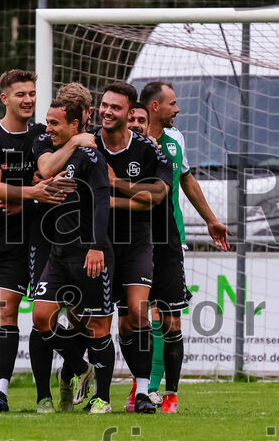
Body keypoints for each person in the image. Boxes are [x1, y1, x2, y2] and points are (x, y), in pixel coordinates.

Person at [0, 69, 70, 412]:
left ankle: (0, 392)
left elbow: (50, 171)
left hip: (18, 239)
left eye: (32, 93)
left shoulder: (40, 135)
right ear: (4, 98)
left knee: (8, 312)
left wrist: (29, 195)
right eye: (21, 94)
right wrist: (32, 191)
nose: (28, 100)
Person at [142, 81, 232, 412]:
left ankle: (165, 394)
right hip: (135, 241)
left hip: (170, 240)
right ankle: (145, 388)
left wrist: (210, 219)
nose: (177, 109)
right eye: (173, 104)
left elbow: (186, 179)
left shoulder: (176, 139)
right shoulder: (132, 142)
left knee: (169, 319)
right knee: (136, 319)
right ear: (155, 106)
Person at [31, 97, 116, 414]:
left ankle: (102, 399)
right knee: (41, 317)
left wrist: (95, 245)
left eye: (55, 123)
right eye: (48, 121)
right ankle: (79, 367)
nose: (48, 128)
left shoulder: (91, 155)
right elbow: (46, 172)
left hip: (91, 253)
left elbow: (102, 200)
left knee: (98, 329)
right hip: (59, 254)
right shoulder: (58, 151)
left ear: (75, 125)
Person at [90, 82, 170, 414]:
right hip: (97, 244)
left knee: (137, 314)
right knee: (96, 323)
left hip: (137, 243)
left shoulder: (147, 149)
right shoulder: (87, 144)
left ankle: (141, 392)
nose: (107, 111)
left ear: (129, 112)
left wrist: (112, 186)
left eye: (115, 108)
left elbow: (156, 195)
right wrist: (126, 199)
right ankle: (98, 393)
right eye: (104, 105)